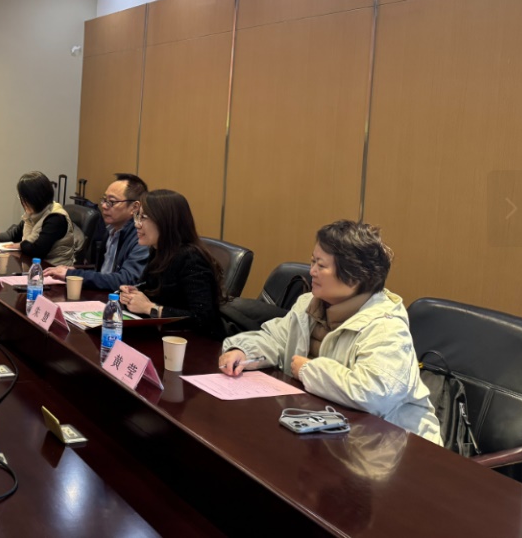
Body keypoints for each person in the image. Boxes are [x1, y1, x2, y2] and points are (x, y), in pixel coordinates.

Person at [218, 220, 442, 444]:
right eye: (312, 261)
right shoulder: (309, 304)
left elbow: (374, 394)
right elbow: (276, 339)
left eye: (321, 265)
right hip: (329, 429)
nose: (312, 271)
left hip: (394, 445)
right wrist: (244, 352)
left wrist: (308, 370)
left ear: (354, 275)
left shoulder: (385, 326)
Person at [117, 189, 224, 338]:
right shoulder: (158, 250)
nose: (137, 224)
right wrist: (134, 294)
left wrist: (149, 308)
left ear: (165, 221)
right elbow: (154, 290)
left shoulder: (191, 258)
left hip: (197, 344)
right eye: (137, 216)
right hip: (166, 335)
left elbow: (203, 319)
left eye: (143, 217)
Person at [44, 173, 150, 290]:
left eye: (111, 202)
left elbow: (126, 280)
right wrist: (75, 271)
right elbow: (104, 272)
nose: (104, 206)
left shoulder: (142, 238)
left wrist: (74, 275)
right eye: (104, 200)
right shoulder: (111, 230)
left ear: (134, 207)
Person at [0, 171, 79, 267]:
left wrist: (20, 246)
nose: (22, 202)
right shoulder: (35, 214)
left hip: (53, 271)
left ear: (33, 199)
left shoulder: (56, 218)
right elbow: (13, 234)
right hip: (37, 269)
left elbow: (38, 250)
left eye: (23, 198)